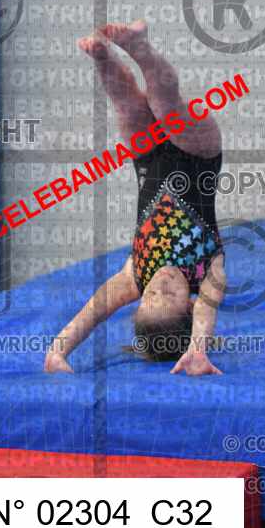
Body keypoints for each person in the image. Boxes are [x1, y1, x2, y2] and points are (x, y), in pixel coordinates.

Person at [44, 20, 227, 377]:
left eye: (150, 297)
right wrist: (197, 349)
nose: (159, 287)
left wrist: (58, 349)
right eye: (169, 297)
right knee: (168, 107)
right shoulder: (207, 273)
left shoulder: (134, 277)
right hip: (199, 157)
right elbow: (210, 306)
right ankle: (139, 46)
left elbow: (93, 310)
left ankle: (101, 54)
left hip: (148, 160)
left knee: (126, 103)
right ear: (189, 305)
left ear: (139, 300)